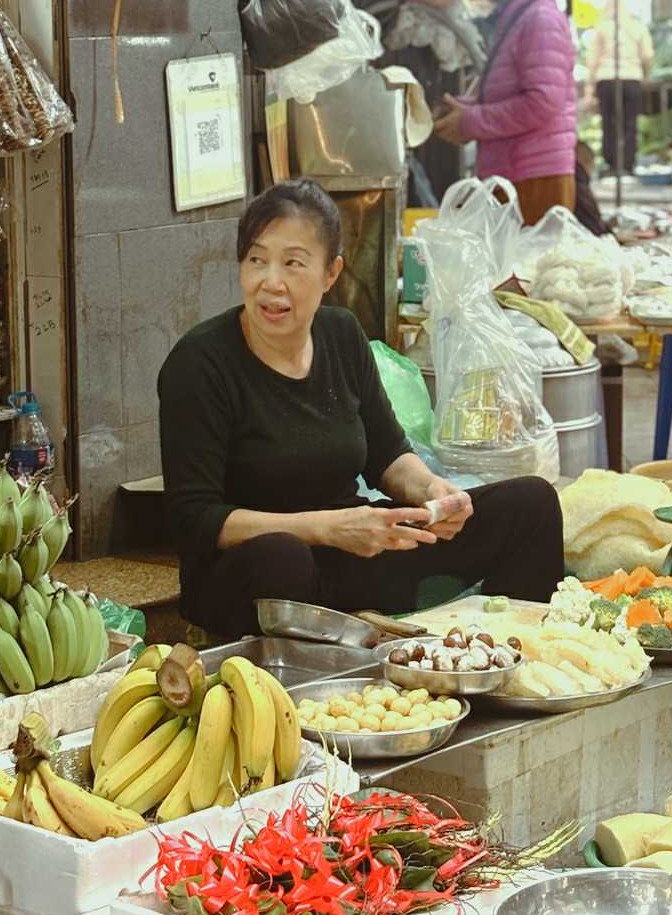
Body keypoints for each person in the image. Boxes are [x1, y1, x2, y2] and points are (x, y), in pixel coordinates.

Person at [159, 179, 565, 640]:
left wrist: (432, 493)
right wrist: (328, 529)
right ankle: (323, 665)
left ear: (330, 273)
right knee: (282, 555)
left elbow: (388, 454)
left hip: (350, 563)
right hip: (252, 576)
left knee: (530, 503)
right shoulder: (200, 363)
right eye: (257, 260)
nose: (271, 283)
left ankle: (502, 658)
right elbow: (195, 520)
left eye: (293, 263)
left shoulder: (341, 334)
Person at [432, 0, 577, 226]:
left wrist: (472, 121)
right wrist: (462, 110)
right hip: (516, 176)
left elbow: (542, 103)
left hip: (535, 178)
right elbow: (515, 95)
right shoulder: (518, 16)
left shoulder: (540, 18)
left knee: (529, 273)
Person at [587, 0, 653, 176]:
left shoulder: (602, 28)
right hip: (632, 78)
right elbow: (647, 55)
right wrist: (646, 76)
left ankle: (612, 164)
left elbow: (592, 60)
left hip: (606, 78)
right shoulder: (638, 27)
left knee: (609, 123)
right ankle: (628, 164)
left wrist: (590, 89)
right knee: (630, 123)